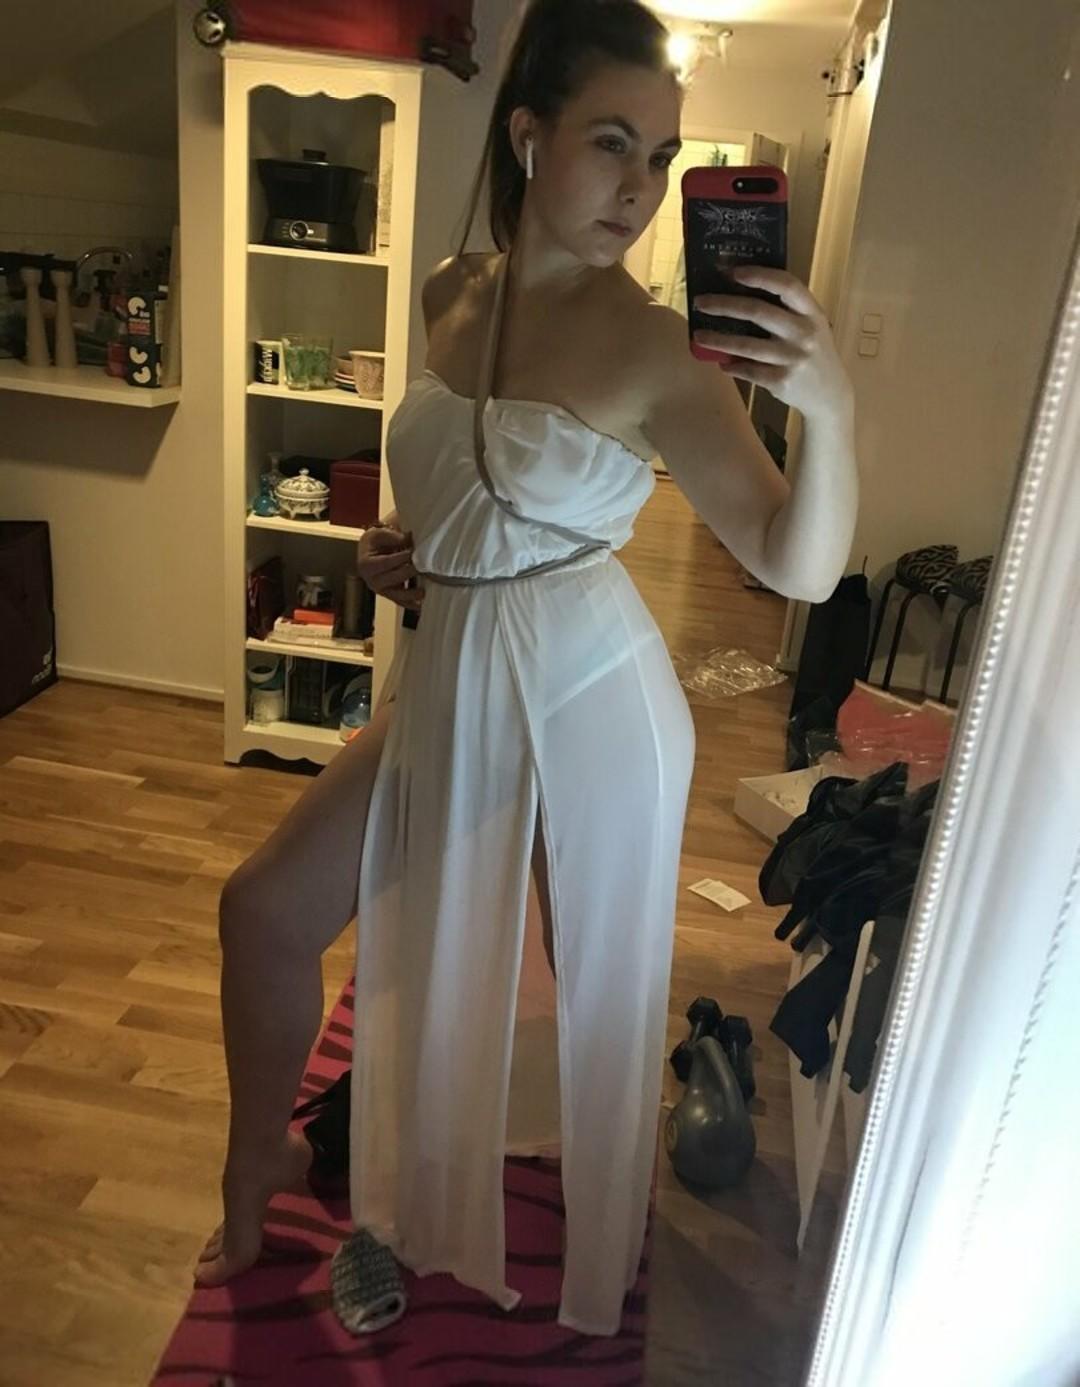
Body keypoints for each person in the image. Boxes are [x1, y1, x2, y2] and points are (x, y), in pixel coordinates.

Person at [196, 0, 857, 1337]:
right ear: (525, 134)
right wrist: (409, 546)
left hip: (588, 697)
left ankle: (595, 1219)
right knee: (264, 911)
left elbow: (797, 561)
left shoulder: (658, 346)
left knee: (590, 978)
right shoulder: (450, 290)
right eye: (612, 142)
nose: (640, 187)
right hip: (453, 675)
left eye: (660, 157)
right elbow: (468, 478)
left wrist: (832, 407)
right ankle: (259, 1159)